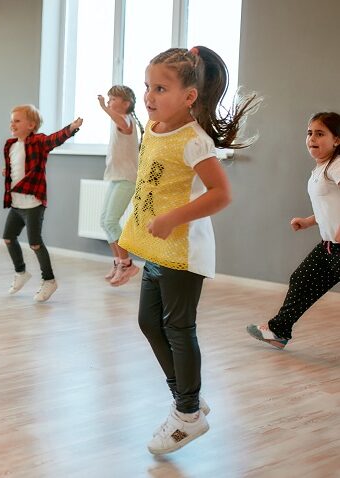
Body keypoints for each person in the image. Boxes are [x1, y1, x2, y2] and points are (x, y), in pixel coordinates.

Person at [118, 46, 260, 455]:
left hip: (184, 253)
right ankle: (189, 398)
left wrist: (173, 218)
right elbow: (147, 188)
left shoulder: (195, 141)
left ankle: (187, 415)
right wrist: (127, 249)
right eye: (147, 86)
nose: (149, 96)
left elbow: (221, 194)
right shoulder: (154, 127)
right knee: (149, 323)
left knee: (179, 329)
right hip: (157, 251)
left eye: (160, 88)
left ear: (189, 97)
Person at [247, 112, 340, 349]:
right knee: (301, 280)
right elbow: (329, 208)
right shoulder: (320, 169)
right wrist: (309, 221)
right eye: (310, 133)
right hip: (329, 247)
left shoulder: (336, 165)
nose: (312, 138)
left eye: (320, 134)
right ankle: (278, 332)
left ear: (337, 140)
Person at [2, 104, 82, 302]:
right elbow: (15, 169)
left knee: (35, 243)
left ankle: (49, 280)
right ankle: (21, 272)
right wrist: (8, 175)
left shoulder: (38, 142)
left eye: (17, 121)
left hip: (33, 204)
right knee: (8, 238)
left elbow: (53, 139)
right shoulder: (10, 145)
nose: (13, 124)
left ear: (31, 125)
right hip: (17, 203)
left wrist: (70, 128)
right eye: (12, 120)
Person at [97, 85, 142, 286]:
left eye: (113, 99)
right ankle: (119, 262)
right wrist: (108, 109)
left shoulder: (126, 121)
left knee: (111, 221)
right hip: (116, 177)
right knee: (105, 220)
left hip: (127, 179)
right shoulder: (120, 121)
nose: (109, 101)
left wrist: (104, 109)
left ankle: (127, 264)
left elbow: (120, 122)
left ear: (126, 104)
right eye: (108, 98)